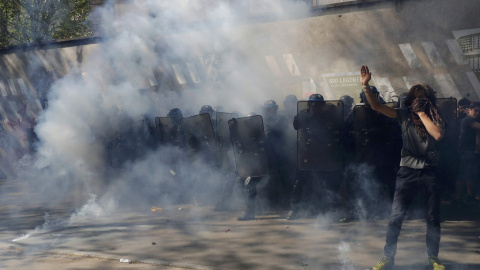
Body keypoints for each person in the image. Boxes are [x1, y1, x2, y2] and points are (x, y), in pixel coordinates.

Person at [360, 66, 446, 270]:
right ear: (409, 102)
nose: (418, 102)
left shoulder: (435, 117)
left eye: (422, 98)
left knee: (433, 217)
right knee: (396, 217)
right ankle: (388, 257)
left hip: (429, 171)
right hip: (406, 172)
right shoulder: (403, 116)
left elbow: (438, 135)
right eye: (415, 99)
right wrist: (365, 86)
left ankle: (433, 258)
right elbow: (376, 107)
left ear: (428, 101)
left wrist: (422, 113)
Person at [287, 94, 345, 220]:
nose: (315, 107)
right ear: (309, 104)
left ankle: (329, 212)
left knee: (326, 184)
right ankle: (294, 209)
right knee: (299, 182)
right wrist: (308, 114)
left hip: (323, 154)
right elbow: (296, 125)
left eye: (318, 104)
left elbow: (339, 127)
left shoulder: (329, 114)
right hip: (306, 154)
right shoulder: (304, 114)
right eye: (313, 104)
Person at [452, 102, 480, 205]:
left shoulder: (473, 120)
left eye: (479, 111)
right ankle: (457, 197)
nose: (477, 113)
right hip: (466, 152)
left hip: (472, 152)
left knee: (470, 175)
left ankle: (469, 196)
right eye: (475, 110)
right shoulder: (468, 120)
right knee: (463, 175)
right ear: (469, 110)